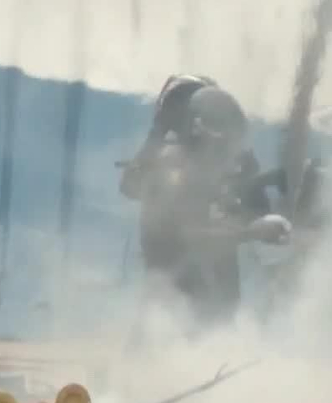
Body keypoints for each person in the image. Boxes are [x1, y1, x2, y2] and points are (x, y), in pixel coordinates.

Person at [119, 75, 292, 328]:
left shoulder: (229, 161)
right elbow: (185, 235)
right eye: (219, 147)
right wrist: (250, 231)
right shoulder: (170, 169)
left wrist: (269, 209)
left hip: (216, 308)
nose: (225, 156)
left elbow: (255, 207)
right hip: (176, 306)